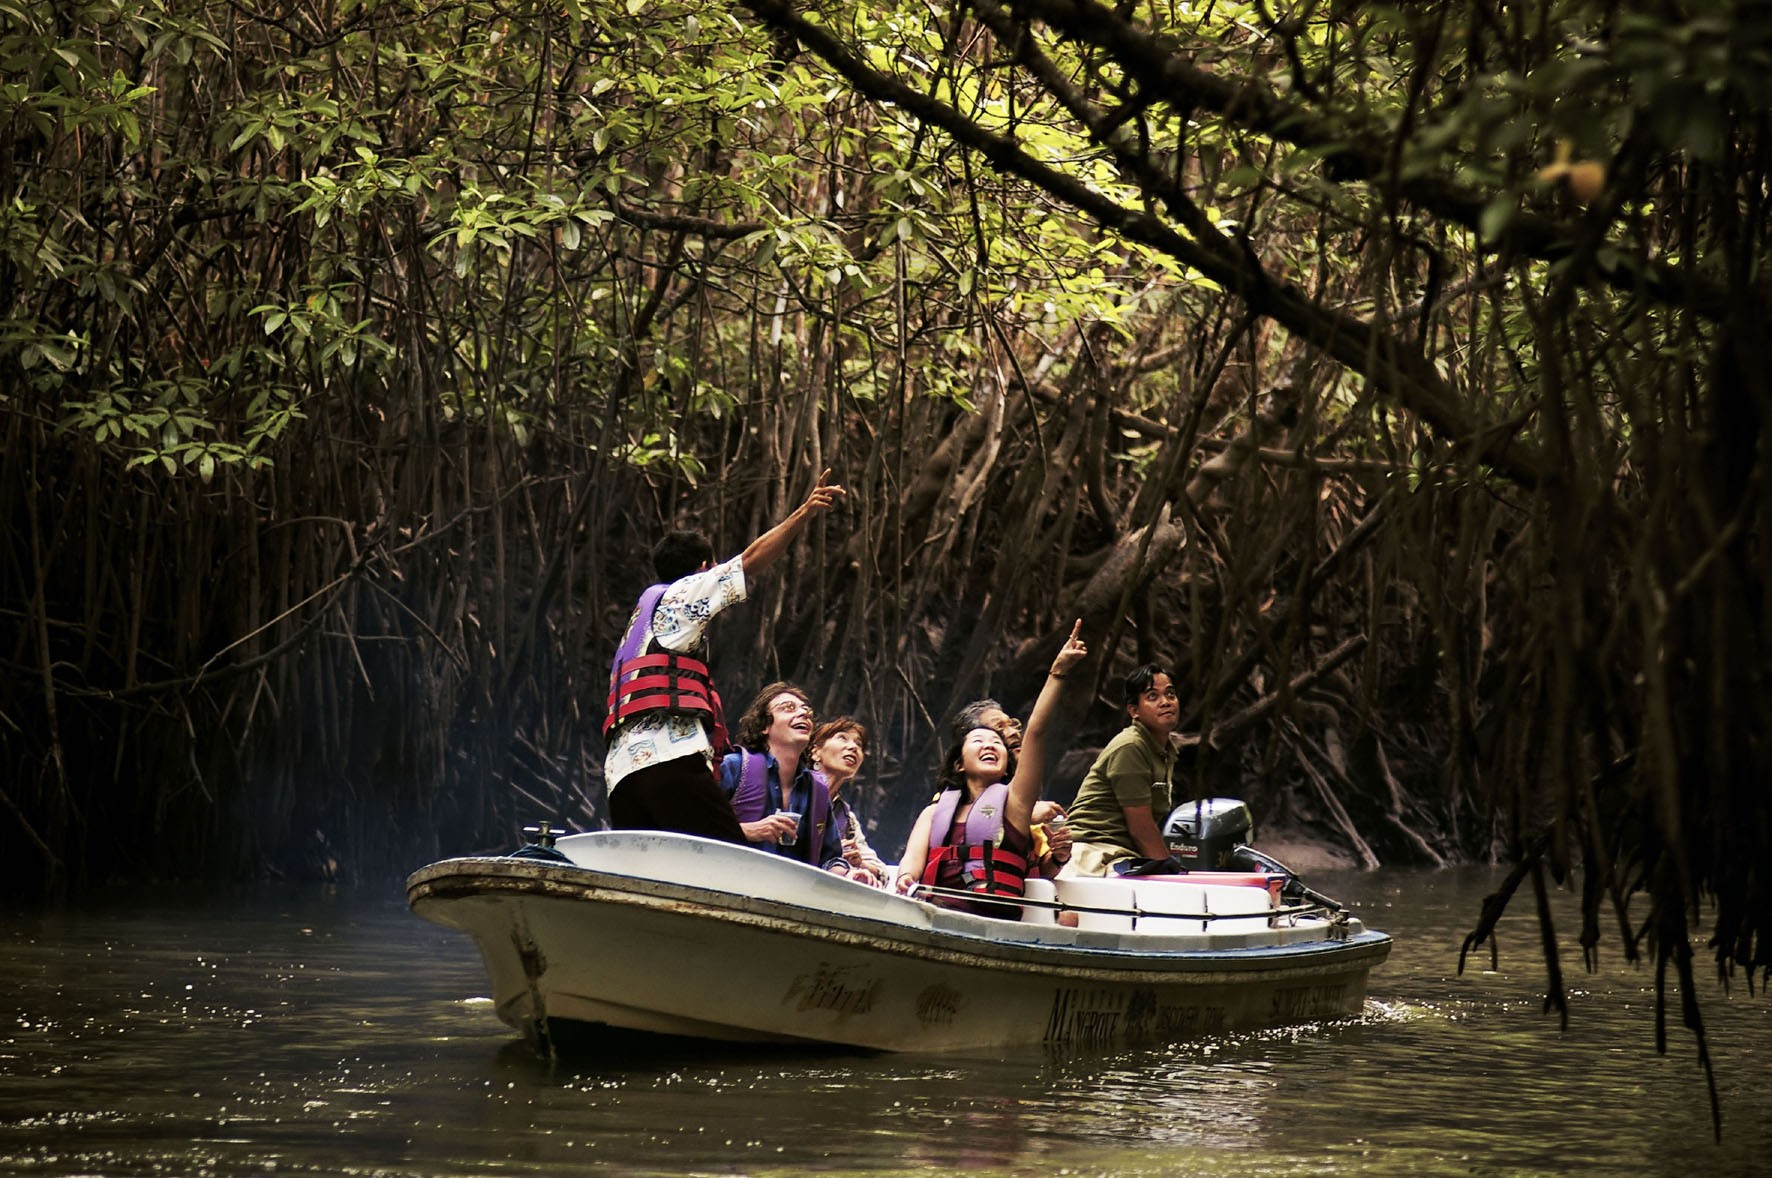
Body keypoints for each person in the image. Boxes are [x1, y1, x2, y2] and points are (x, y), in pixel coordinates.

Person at [603, 472, 846, 841]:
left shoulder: (639, 620)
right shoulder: (685, 593)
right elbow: (749, 561)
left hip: (621, 774)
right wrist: (804, 513)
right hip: (667, 760)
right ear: (703, 567)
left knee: (653, 862)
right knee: (725, 849)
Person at [894, 622, 1089, 914]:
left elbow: (1035, 731)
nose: (990, 744)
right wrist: (906, 878)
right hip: (939, 911)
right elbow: (911, 862)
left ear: (1006, 762)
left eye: (997, 742)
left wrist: (1057, 672)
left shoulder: (1015, 804)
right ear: (959, 764)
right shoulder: (935, 812)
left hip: (993, 914)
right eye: (978, 739)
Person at [1058, 664, 1182, 878]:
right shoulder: (1131, 746)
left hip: (1123, 854)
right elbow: (1140, 828)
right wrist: (1171, 876)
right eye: (1153, 696)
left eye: (1170, 694)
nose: (1165, 702)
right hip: (1093, 850)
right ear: (1134, 711)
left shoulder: (1165, 750)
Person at [718, 683, 848, 872]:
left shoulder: (816, 789)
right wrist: (746, 831)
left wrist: (846, 873)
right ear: (764, 726)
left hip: (789, 897)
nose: (803, 714)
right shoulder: (735, 767)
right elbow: (689, 825)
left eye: (807, 711)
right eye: (788, 708)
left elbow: (830, 857)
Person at [809, 716, 887, 886]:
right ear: (816, 752)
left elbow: (882, 871)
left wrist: (859, 863)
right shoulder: (792, 793)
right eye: (842, 738)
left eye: (858, 745)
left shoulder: (846, 818)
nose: (853, 747)